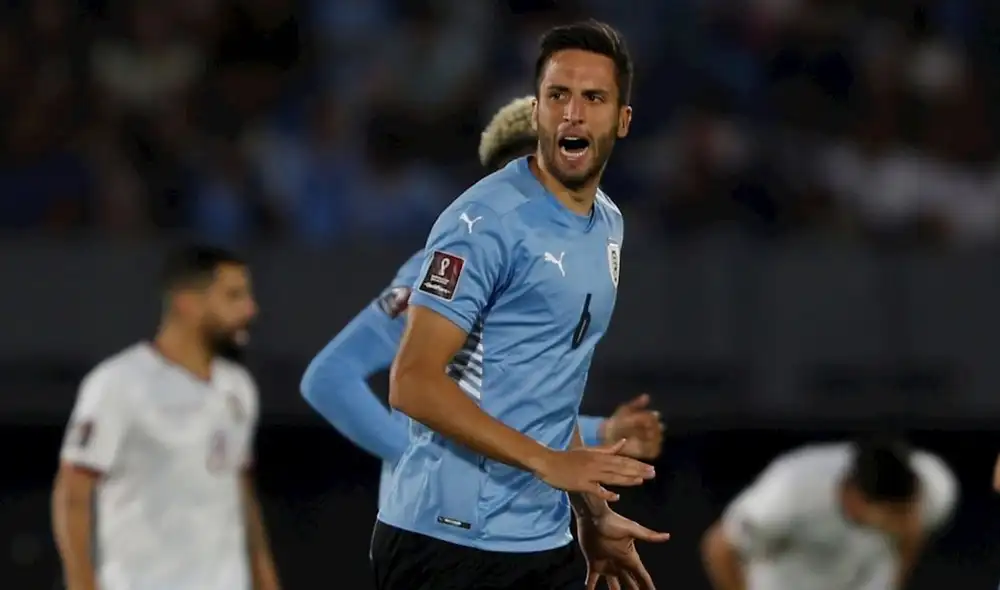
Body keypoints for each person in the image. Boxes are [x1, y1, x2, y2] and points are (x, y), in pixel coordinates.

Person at [372, 20, 670, 590]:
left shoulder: (609, 223)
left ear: (622, 120)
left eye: (594, 98)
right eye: (558, 95)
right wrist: (549, 463)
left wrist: (592, 513)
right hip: (447, 543)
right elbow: (411, 381)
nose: (573, 114)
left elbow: (549, 384)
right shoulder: (483, 222)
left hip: (541, 540)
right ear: (536, 112)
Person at [299, 94, 664, 508]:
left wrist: (603, 431)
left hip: (508, 527)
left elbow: (505, 416)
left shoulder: (555, 284)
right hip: (435, 529)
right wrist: (413, 456)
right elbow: (329, 377)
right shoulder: (442, 267)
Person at [52, 245, 281, 590]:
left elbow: (241, 496)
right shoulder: (119, 383)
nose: (250, 309)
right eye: (234, 296)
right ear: (187, 303)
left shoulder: (238, 388)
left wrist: (266, 579)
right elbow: (73, 495)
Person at [701, 437, 958, 590]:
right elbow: (719, 546)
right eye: (897, 515)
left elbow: (914, 530)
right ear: (860, 502)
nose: (909, 522)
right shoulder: (790, 490)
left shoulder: (933, 485)